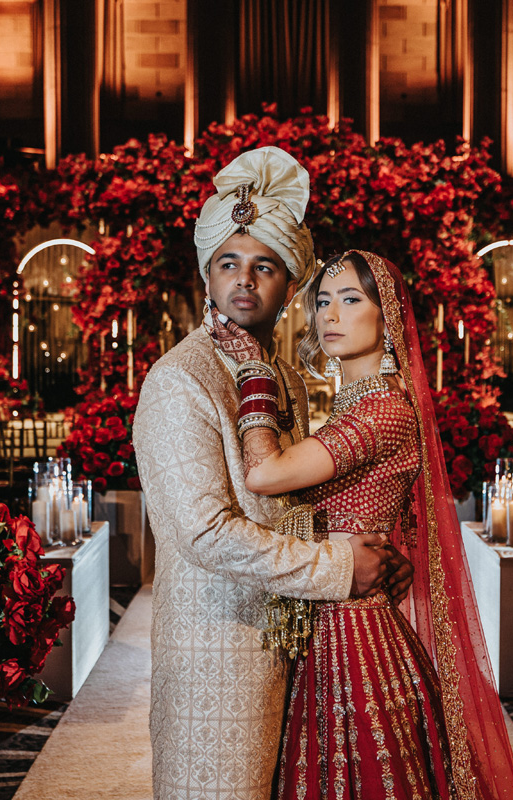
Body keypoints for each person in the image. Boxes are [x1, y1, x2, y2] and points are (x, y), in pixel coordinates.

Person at [133, 148, 412, 800]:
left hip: (292, 643)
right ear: (205, 274)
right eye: (228, 264)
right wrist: (340, 566)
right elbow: (205, 533)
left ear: (291, 285)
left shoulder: (277, 374)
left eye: (265, 267)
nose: (244, 282)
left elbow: (288, 498)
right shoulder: (182, 379)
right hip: (217, 655)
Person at [221, 250, 513, 800]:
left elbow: (266, 474)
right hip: (332, 609)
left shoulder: (382, 410)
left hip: (350, 629)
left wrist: (253, 375)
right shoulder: (356, 406)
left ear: (387, 316)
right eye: (321, 301)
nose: (330, 315)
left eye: (351, 299)